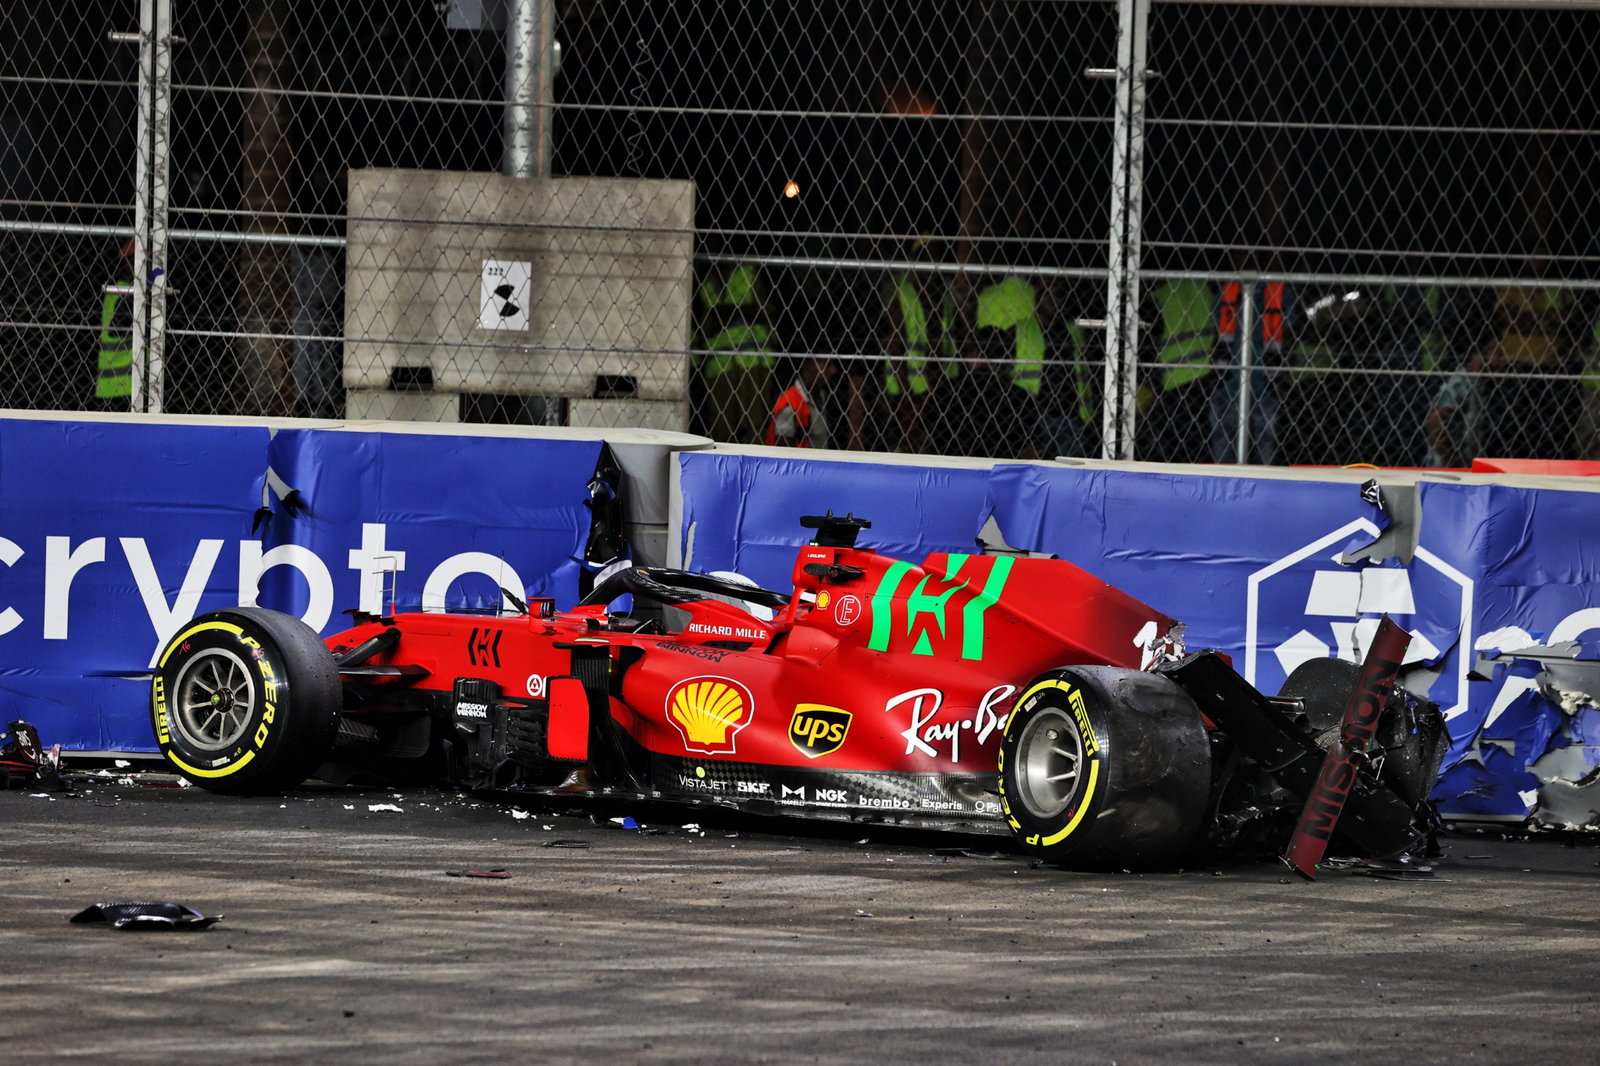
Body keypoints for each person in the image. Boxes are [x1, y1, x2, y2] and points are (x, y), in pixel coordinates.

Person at [1210, 279, 1292, 464]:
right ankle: (1225, 488)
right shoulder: (1227, 290)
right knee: (1224, 451)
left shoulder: (1281, 291)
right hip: (1229, 384)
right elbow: (1214, 331)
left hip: (1265, 385)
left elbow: (1294, 333)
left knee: (1267, 450)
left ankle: (1266, 489)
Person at [693, 261, 775, 444]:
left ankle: (756, 466)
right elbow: (703, 324)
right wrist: (736, 311)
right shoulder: (704, 283)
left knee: (755, 424)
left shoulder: (747, 274)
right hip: (720, 365)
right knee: (722, 428)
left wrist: (725, 312)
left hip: (754, 360)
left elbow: (765, 310)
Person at [1138, 278, 1215, 464]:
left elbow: (1148, 343)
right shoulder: (1204, 288)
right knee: (1199, 440)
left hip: (1174, 379)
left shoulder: (1159, 297)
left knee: (1171, 442)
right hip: (1205, 373)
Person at [1423, 332, 1498, 468]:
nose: (1500, 361)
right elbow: (1434, 420)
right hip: (1446, 468)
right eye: (1496, 354)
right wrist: (1450, 459)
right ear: (1477, 356)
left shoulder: (1480, 384)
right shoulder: (1460, 381)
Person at [94, 239, 136, 410]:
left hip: (121, 384)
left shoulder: (119, 289)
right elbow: (119, 327)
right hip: (122, 385)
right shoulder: (125, 291)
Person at [764, 355, 838, 448]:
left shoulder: (821, 395)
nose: (833, 370)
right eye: (827, 365)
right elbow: (782, 451)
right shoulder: (790, 404)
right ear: (809, 366)